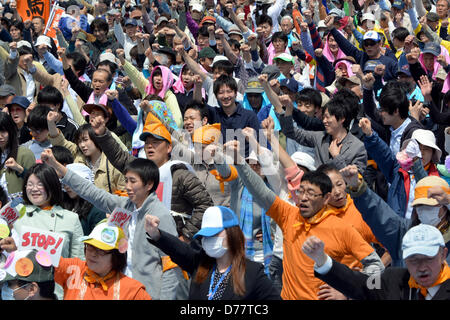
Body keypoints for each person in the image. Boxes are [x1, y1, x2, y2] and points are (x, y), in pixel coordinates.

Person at [220, 140, 384, 300]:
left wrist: (349, 292)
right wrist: (240, 162)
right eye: (301, 192)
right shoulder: (288, 215)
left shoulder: (342, 228)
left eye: (311, 194)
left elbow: (377, 267)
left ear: (326, 198)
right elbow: (261, 192)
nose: (303, 198)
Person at [41, 148, 182, 300]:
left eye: (133, 181)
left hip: (148, 293)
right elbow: (91, 192)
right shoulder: (124, 205)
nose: (127, 186)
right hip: (119, 290)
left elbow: (172, 266)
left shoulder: (161, 215)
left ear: (149, 185)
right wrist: (56, 166)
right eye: (126, 180)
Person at [145, 205, 281, 300]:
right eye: (205, 236)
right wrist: (156, 233)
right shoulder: (199, 263)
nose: (208, 240)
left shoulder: (252, 272)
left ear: (232, 234)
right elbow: (178, 249)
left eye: (214, 234)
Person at [339, 164, 450, 267]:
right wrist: (359, 189)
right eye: (420, 205)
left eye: (430, 205)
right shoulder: (404, 232)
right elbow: (378, 213)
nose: (424, 210)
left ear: (445, 207)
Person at [303, 224, 450, 300]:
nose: (421, 267)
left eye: (428, 258)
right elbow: (358, 284)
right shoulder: (393, 279)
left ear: (443, 254)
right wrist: (322, 259)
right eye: (413, 260)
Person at [55, 220, 151, 300]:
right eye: (90, 246)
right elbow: (45, 259)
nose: (93, 254)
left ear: (116, 256)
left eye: (101, 250)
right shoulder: (74, 269)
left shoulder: (133, 290)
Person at [47, 109, 126, 195]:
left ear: (96, 138)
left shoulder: (113, 163)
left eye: (85, 140)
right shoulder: (78, 152)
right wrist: (51, 123)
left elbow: (123, 193)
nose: (82, 145)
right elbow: (60, 141)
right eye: (79, 141)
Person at [0, 112, 35, 198]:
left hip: (22, 208)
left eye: (3, 131)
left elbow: (37, 182)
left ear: (11, 131)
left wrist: (20, 169)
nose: (0, 136)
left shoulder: (25, 154)